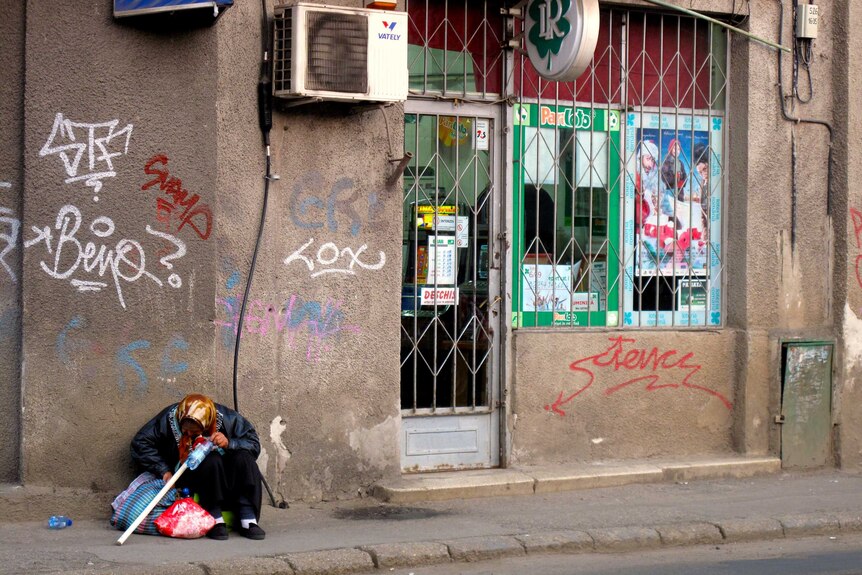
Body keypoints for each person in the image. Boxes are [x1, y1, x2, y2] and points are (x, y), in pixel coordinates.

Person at [130, 393, 265, 540]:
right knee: (211, 459)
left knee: (244, 457)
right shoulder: (169, 418)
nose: (188, 434)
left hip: (229, 479)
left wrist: (229, 443)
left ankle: (248, 518)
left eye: (194, 432)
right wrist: (164, 470)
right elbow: (140, 443)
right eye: (185, 430)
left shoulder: (227, 418)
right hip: (193, 475)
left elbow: (253, 444)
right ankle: (215, 517)